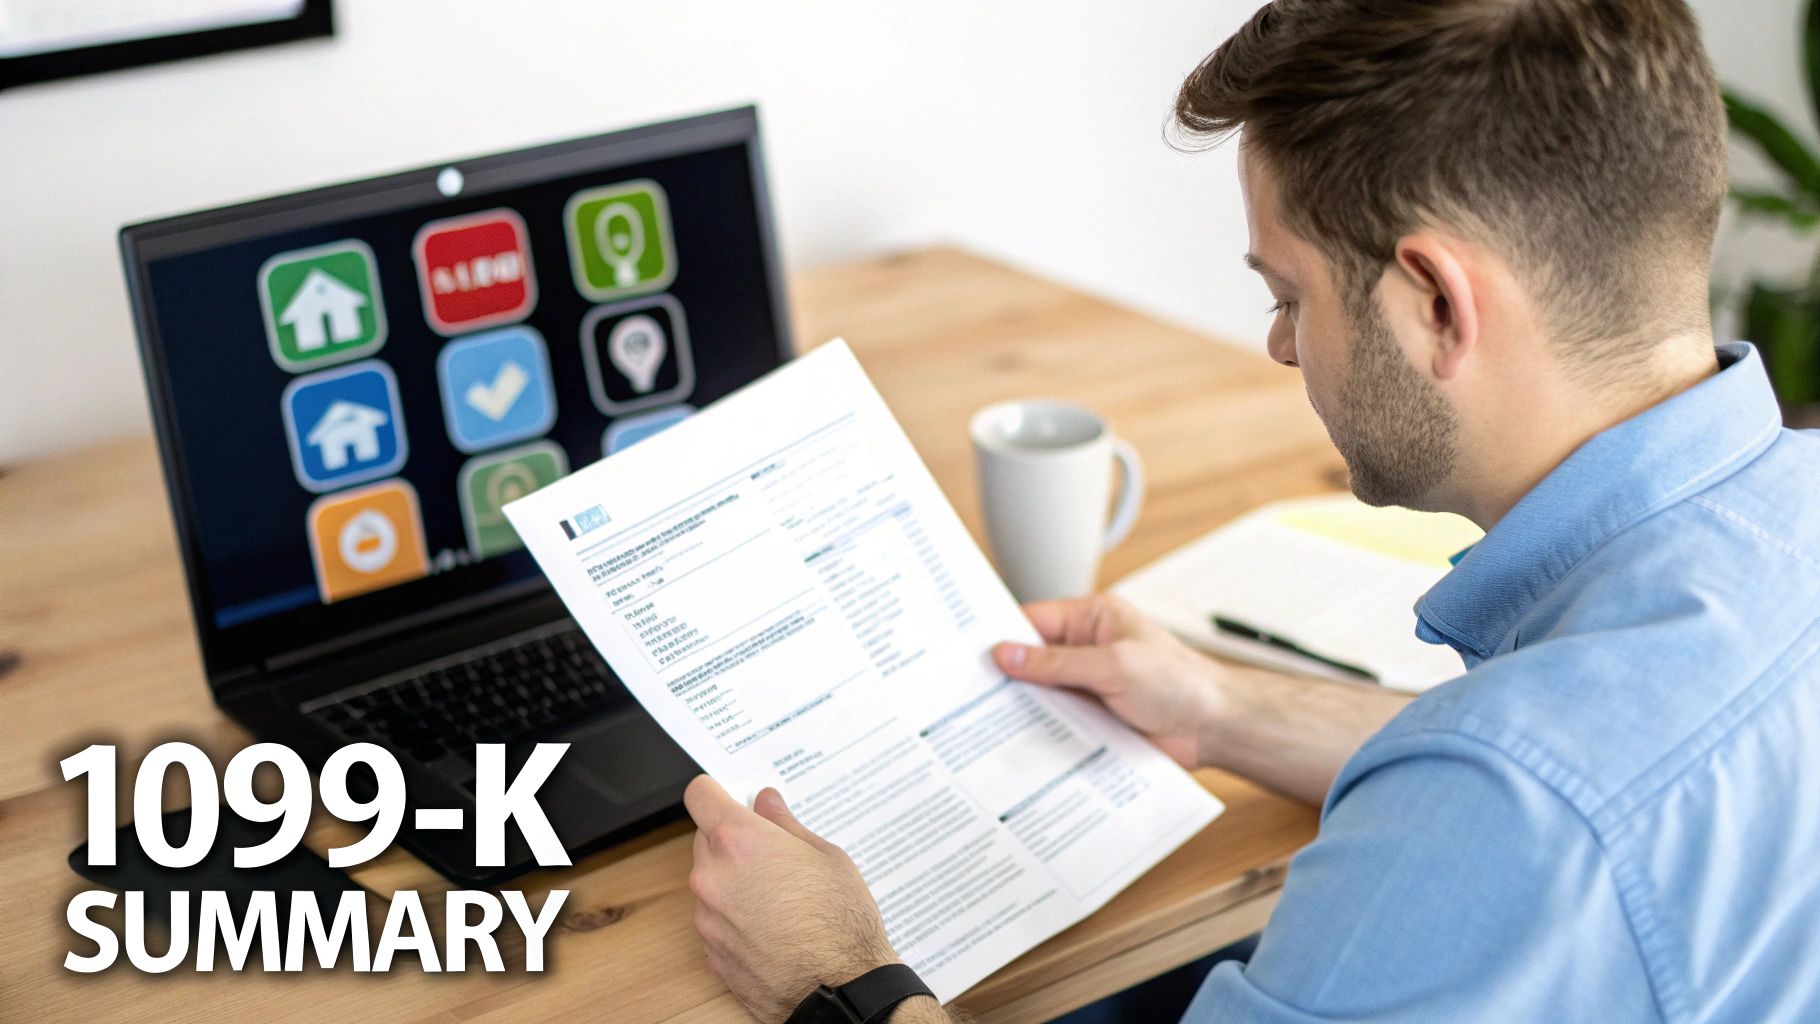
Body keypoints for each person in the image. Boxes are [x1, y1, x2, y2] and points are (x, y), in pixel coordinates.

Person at [681, 0, 1820, 1020]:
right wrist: (1218, 709)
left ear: (1434, 301)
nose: (1279, 344)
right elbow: (1605, 790)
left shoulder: (1502, 812)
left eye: (1288, 294)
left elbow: (1525, 811)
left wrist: (835, 978)